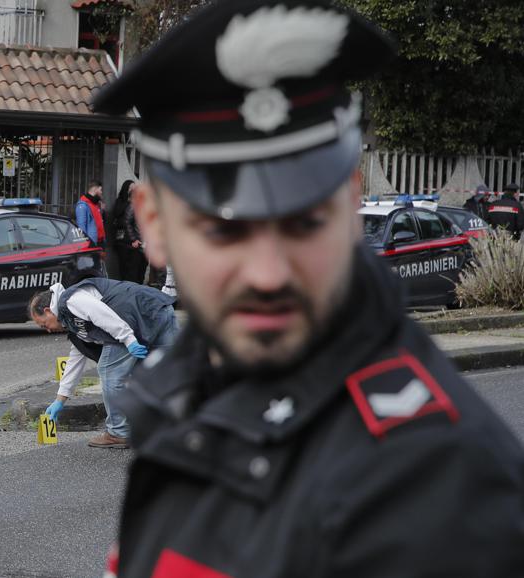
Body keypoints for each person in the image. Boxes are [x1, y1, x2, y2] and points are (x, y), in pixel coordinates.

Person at [92, 1, 524, 576]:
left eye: (303, 223)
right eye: (224, 231)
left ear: (350, 202)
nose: (269, 274)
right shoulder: (190, 391)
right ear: (153, 225)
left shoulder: (432, 487)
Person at [29, 278, 177, 449]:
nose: (48, 330)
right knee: (171, 367)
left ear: (48, 310)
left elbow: (101, 313)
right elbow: (75, 360)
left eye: (44, 324)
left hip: (133, 317)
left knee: (109, 370)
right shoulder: (72, 322)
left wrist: (128, 339)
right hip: (158, 308)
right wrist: (60, 400)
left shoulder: (70, 301)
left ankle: (118, 433)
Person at [123, 187, 149, 284]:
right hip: (137, 245)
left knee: (142, 271)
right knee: (134, 272)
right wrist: (133, 239)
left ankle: (140, 291)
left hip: (145, 245)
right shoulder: (133, 206)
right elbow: (127, 222)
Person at [75, 180, 106, 247]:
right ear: (95, 189)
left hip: (100, 243)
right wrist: (86, 245)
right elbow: (81, 229)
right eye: (100, 190)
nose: (101, 192)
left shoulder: (96, 203)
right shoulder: (82, 205)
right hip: (91, 245)